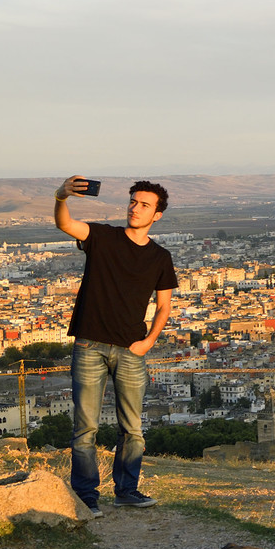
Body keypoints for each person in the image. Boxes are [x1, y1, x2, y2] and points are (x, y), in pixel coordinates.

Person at [55, 177, 177, 517]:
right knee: (85, 428)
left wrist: (148, 342)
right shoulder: (103, 237)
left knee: (132, 428)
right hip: (90, 345)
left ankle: (126, 491)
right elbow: (64, 223)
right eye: (133, 202)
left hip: (130, 350)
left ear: (158, 215)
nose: (135, 208)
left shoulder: (160, 257)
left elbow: (165, 306)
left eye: (144, 205)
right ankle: (86, 497)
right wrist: (61, 195)